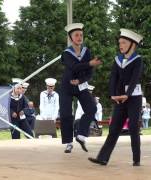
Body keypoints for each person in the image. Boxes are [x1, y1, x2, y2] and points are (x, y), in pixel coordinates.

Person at [89, 28, 144, 166]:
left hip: (134, 98)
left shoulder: (138, 60)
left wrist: (128, 94)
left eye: (124, 42)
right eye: (120, 42)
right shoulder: (117, 59)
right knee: (114, 128)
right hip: (120, 98)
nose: (120, 45)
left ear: (133, 45)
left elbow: (134, 78)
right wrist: (112, 94)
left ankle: (136, 159)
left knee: (133, 127)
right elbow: (113, 77)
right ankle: (102, 158)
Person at [59, 23, 102, 153]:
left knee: (92, 108)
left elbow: (89, 72)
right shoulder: (66, 53)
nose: (79, 37)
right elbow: (74, 67)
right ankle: (68, 143)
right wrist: (89, 63)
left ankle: (81, 135)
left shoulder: (86, 51)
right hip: (67, 86)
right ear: (71, 38)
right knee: (66, 114)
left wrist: (80, 80)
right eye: (76, 35)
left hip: (81, 85)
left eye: (81, 35)